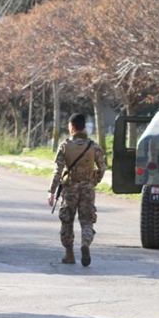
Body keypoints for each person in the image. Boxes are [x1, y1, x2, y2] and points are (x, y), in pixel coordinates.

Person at [48, 113, 106, 267]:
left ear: (71, 127)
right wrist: (93, 181)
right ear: (83, 127)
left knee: (67, 221)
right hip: (87, 188)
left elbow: (58, 171)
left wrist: (51, 191)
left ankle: (69, 254)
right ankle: (85, 244)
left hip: (70, 189)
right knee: (87, 221)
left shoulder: (65, 146)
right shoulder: (94, 146)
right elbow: (102, 168)